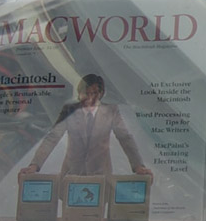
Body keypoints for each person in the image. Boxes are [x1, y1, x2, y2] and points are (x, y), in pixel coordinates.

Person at [20, 74, 151, 177]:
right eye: (86, 93)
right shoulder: (69, 110)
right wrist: (34, 165)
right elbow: (53, 137)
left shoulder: (111, 111)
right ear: (79, 93)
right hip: (71, 175)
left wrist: (138, 166)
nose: (90, 98)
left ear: (101, 93)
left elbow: (125, 138)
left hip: (101, 176)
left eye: (94, 93)